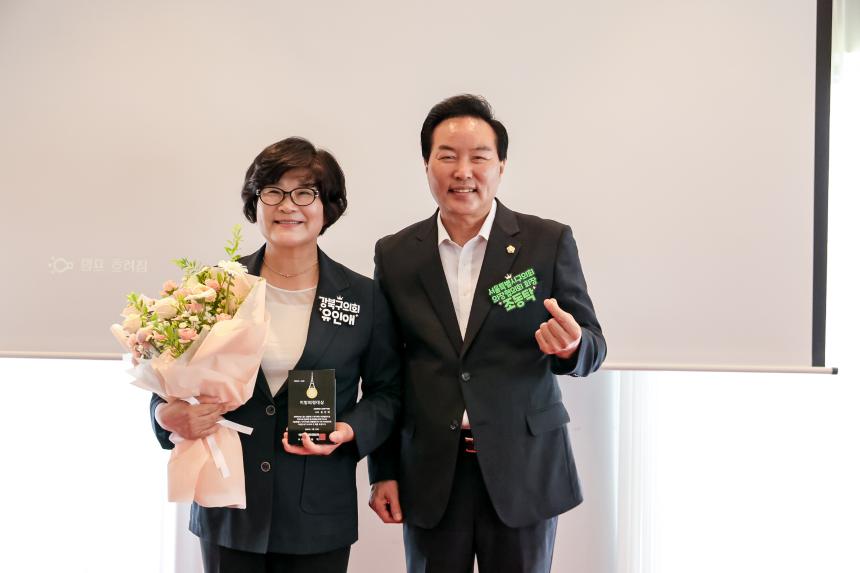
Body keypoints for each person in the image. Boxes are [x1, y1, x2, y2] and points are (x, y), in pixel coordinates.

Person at [367, 95, 607, 573]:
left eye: (479, 157)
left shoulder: (546, 241)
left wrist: (573, 345)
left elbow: (593, 344)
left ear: (501, 166)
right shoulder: (396, 254)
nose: (463, 172)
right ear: (426, 164)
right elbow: (384, 373)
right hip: (432, 471)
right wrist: (384, 471)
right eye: (447, 157)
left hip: (524, 468)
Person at [149, 137, 401, 573]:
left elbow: (388, 393)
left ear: (328, 207)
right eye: (273, 192)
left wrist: (349, 429)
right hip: (229, 505)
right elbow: (169, 379)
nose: (288, 206)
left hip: (317, 510)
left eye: (305, 193)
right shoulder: (216, 289)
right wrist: (165, 414)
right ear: (256, 203)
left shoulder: (365, 298)